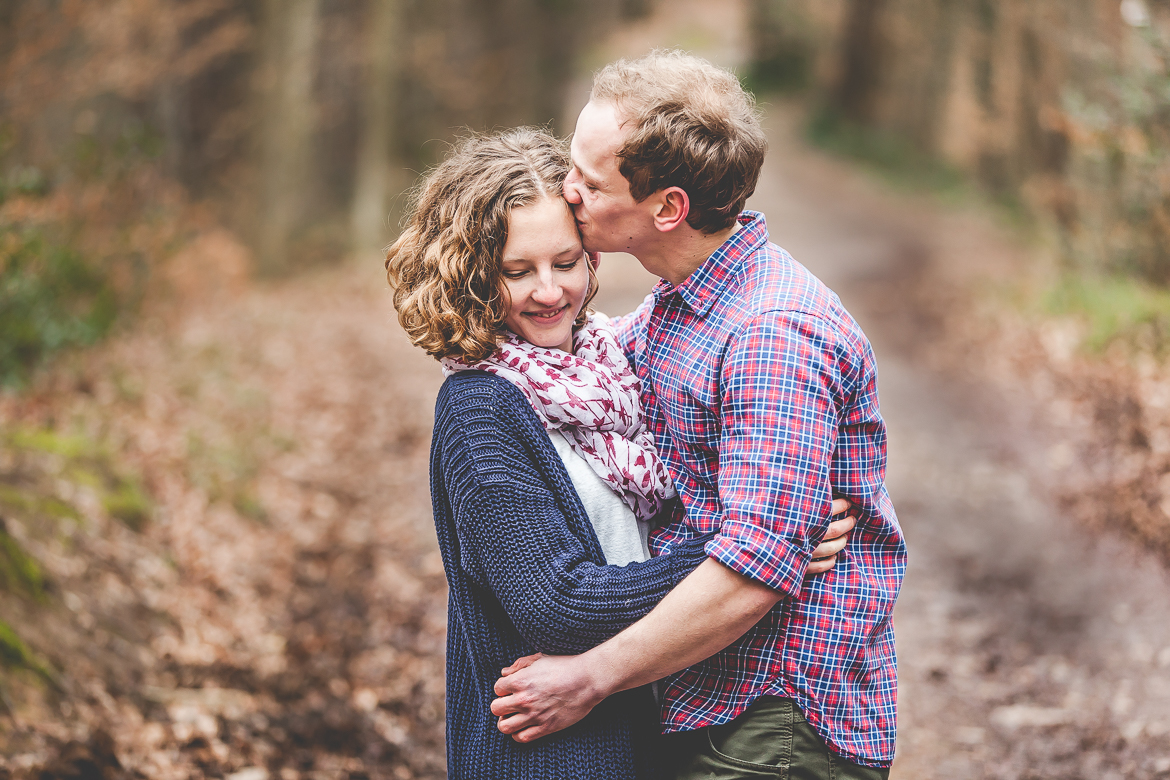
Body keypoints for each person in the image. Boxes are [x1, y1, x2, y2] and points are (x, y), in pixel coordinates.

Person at [385, 127, 855, 780]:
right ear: (471, 276)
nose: (550, 291)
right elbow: (559, 605)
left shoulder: (605, 370)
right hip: (547, 757)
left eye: (565, 261)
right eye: (517, 272)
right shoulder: (480, 408)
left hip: (629, 734)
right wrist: (750, 550)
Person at [489, 51, 907, 779]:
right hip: (710, 705)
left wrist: (589, 677)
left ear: (667, 208)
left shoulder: (770, 332)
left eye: (589, 181)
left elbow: (753, 572)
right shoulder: (682, 302)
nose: (568, 191)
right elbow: (580, 368)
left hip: (772, 729)